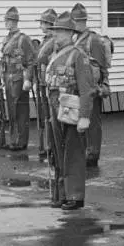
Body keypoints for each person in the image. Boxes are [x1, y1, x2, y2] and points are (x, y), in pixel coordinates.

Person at [45, 11, 94, 210]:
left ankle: (75, 195)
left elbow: (86, 89)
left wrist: (84, 117)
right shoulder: (55, 54)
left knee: (73, 152)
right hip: (56, 107)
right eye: (54, 31)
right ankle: (62, 193)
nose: (55, 35)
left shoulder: (78, 55)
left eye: (59, 31)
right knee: (59, 151)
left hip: (72, 108)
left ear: (70, 33)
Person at [71, 3, 109, 168]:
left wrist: (103, 85)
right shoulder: (74, 39)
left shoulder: (94, 40)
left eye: (77, 21)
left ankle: (92, 154)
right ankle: (83, 151)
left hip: (92, 86)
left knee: (92, 122)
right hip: (77, 86)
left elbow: (102, 66)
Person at [0, 6, 36, 151]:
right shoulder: (6, 39)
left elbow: (31, 60)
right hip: (8, 78)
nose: (6, 23)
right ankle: (13, 139)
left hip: (19, 78)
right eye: (6, 20)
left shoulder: (23, 39)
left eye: (9, 20)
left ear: (15, 21)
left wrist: (28, 79)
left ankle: (21, 141)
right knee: (11, 111)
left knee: (21, 111)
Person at [34, 8, 57, 159]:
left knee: (50, 115)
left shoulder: (53, 42)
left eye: (42, 23)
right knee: (44, 115)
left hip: (49, 82)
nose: (40, 26)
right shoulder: (45, 41)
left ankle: (51, 144)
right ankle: (47, 144)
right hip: (42, 81)